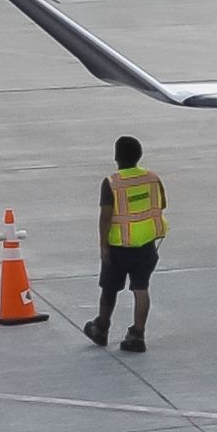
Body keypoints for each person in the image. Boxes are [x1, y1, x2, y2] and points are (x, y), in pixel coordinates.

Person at [90, 134, 165, 351]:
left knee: (109, 289)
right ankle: (137, 335)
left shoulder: (112, 182)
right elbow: (163, 202)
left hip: (118, 246)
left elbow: (105, 216)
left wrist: (103, 245)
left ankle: (101, 327)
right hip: (146, 244)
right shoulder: (152, 177)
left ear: (116, 156)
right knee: (141, 289)